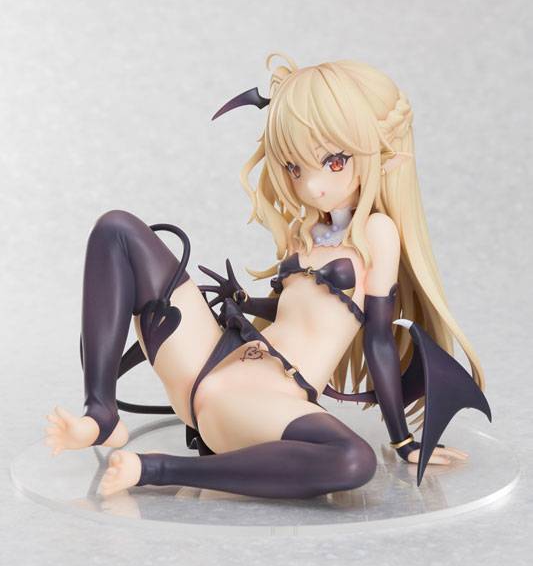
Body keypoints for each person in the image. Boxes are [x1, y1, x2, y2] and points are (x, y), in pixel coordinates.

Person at [44, 53, 491, 499]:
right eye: (295, 168)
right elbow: (294, 312)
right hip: (210, 359)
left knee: (353, 460)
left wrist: (403, 439)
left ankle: (156, 469)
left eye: (334, 161)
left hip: (267, 401)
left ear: (380, 153)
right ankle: (101, 413)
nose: (310, 185)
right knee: (117, 230)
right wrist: (244, 302)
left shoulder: (377, 232)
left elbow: (378, 340)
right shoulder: (306, 232)